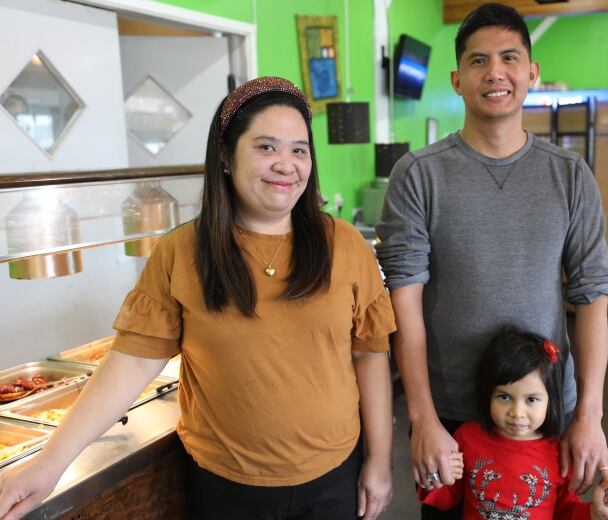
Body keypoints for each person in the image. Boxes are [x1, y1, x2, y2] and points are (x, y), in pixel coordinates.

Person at [0, 77, 396, 520]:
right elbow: (132, 362)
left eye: (298, 149)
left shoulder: (343, 244)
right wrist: (50, 464)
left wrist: (380, 460)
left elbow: (371, 356)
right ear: (226, 156)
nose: (286, 164)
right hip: (225, 485)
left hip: (334, 476)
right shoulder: (183, 251)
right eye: (266, 147)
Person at [375, 3, 608, 518]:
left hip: (547, 411)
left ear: (531, 73)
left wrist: (589, 416)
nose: (495, 73)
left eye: (509, 58)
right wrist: (421, 419)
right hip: (453, 417)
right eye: (478, 61)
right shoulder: (417, 175)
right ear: (457, 79)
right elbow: (405, 305)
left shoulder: (570, 175)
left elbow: (592, 294)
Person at [418, 328, 608, 519]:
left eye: (531, 400)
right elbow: (447, 499)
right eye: (504, 397)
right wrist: (435, 479)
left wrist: (594, 512)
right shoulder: (466, 438)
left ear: (551, 400)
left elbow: (565, 511)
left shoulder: (559, 454)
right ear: (488, 394)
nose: (517, 413)